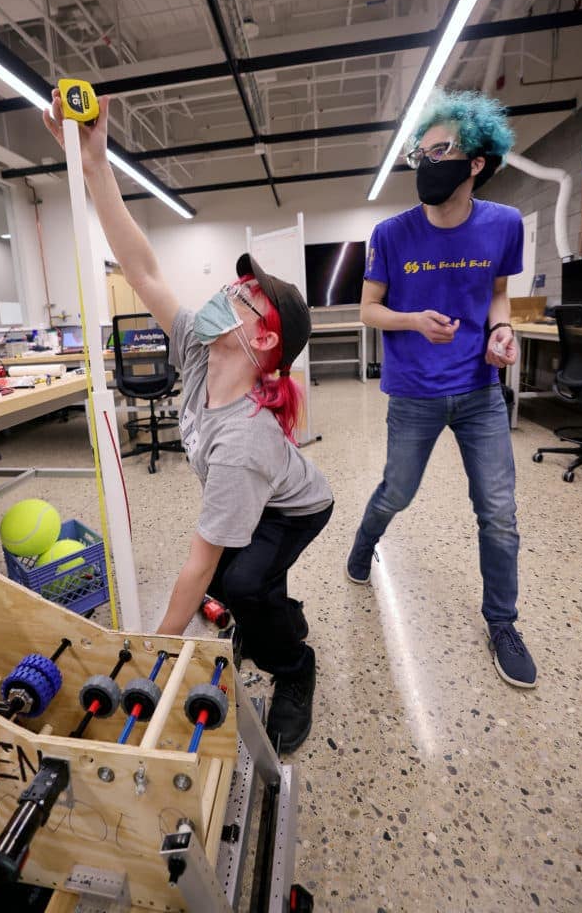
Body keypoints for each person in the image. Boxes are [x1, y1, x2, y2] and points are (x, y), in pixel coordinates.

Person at [43, 91, 334, 752]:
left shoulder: (244, 444)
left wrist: (158, 649)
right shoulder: (201, 352)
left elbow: (196, 569)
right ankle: (281, 617)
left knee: (238, 583)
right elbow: (141, 265)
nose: (228, 291)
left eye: (246, 296)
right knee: (249, 584)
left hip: (296, 507)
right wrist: (94, 164)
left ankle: (294, 666)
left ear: (264, 343)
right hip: (258, 490)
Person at [347, 87, 537, 689]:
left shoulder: (504, 225)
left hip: (481, 390)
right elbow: (368, 311)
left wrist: (502, 329)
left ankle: (502, 621)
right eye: (420, 155)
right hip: (414, 392)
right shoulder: (391, 233)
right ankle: (365, 539)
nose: (427, 164)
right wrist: (413, 320)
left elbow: (499, 292)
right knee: (396, 492)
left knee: (499, 513)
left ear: (475, 162)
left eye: (441, 151)